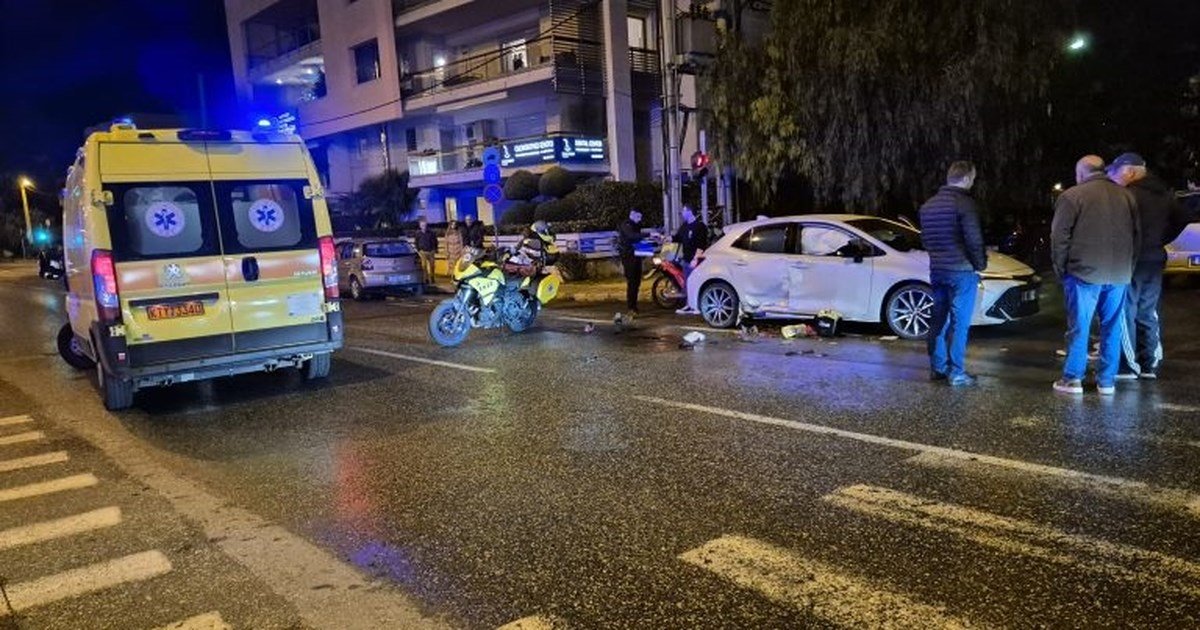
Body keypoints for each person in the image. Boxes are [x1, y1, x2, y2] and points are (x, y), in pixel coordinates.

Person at [1050, 155, 1139, 395]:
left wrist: (1061, 269)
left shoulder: (1072, 196)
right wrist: (1128, 267)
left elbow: (1059, 238)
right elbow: (1136, 236)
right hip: (1119, 273)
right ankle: (1107, 381)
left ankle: (1072, 379)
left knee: (1080, 326)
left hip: (1084, 273)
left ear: (1081, 173)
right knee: (1112, 327)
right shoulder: (1126, 196)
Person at [1111, 154, 1191, 380]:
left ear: (1130, 172)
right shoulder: (1164, 194)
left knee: (1125, 310)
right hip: (1154, 258)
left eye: (1116, 173)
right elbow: (1183, 217)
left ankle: (1127, 365)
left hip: (1132, 259)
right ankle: (1148, 363)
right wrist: (1161, 239)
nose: (1114, 178)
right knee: (1148, 310)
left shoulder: (1127, 195)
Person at [918, 161, 987, 387]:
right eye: (973, 179)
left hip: (938, 271)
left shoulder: (927, 206)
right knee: (960, 323)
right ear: (966, 178)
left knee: (938, 319)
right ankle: (957, 372)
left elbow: (926, 240)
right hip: (962, 272)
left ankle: (938, 368)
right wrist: (980, 264)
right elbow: (974, 239)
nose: (972, 183)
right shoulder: (965, 204)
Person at [671, 205, 710, 314]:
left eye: (684, 211)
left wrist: (696, 258)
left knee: (696, 282)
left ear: (690, 212)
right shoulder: (684, 226)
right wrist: (665, 238)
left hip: (696, 260)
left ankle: (697, 306)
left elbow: (701, 244)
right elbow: (677, 238)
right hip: (686, 259)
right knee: (688, 283)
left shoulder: (700, 226)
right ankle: (689, 305)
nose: (682, 213)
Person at [617, 209, 645, 314]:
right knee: (632, 281)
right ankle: (631, 307)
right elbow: (632, 236)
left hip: (637, 255)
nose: (640, 219)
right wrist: (648, 235)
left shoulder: (637, 225)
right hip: (628, 257)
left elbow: (638, 239)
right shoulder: (626, 225)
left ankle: (634, 306)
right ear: (632, 215)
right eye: (638, 217)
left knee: (637, 282)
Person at [415, 218, 438, 285]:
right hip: (423, 252)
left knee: (432, 265)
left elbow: (435, 241)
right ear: (420, 226)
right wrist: (419, 250)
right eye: (422, 225)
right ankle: (426, 279)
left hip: (431, 251)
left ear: (426, 225)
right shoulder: (418, 233)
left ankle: (432, 277)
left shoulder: (431, 233)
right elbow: (416, 242)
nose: (423, 226)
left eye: (424, 225)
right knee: (424, 266)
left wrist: (434, 249)